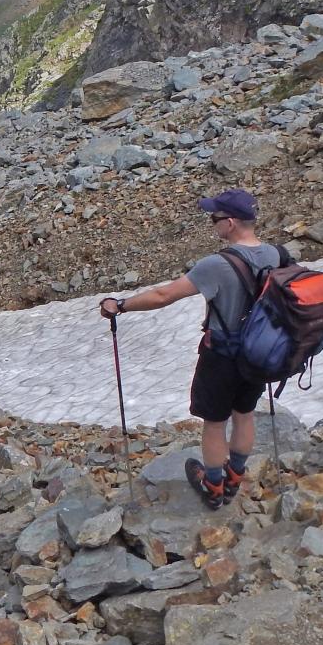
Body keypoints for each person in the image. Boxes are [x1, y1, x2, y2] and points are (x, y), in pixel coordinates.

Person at [98, 187, 284, 510]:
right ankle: (235, 476)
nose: (213, 223)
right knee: (244, 413)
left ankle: (213, 486)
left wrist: (121, 305)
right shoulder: (275, 255)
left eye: (215, 218)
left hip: (222, 355)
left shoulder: (217, 264)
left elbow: (164, 296)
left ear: (230, 223)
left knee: (214, 421)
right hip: (258, 353)